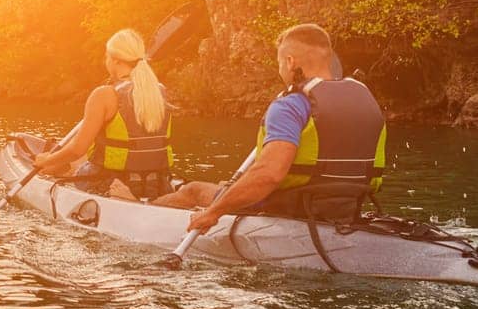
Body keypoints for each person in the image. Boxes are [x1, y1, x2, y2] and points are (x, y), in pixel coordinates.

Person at [159, 23, 387, 234]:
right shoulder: (365, 100)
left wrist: (214, 212)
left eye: (279, 63)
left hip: (289, 206)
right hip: (345, 207)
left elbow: (269, 174)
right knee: (227, 188)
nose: (280, 70)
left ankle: (139, 209)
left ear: (290, 61)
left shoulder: (290, 105)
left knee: (194, 190)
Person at [29, 28, 173, 200]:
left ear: (115, 61)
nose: (105, 61)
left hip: (110, 183)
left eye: (106, 56)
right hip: (157, 185)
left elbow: (77, 149)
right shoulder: (159, 91)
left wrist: (46, 161)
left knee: (70, 161)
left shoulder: (104, 95)